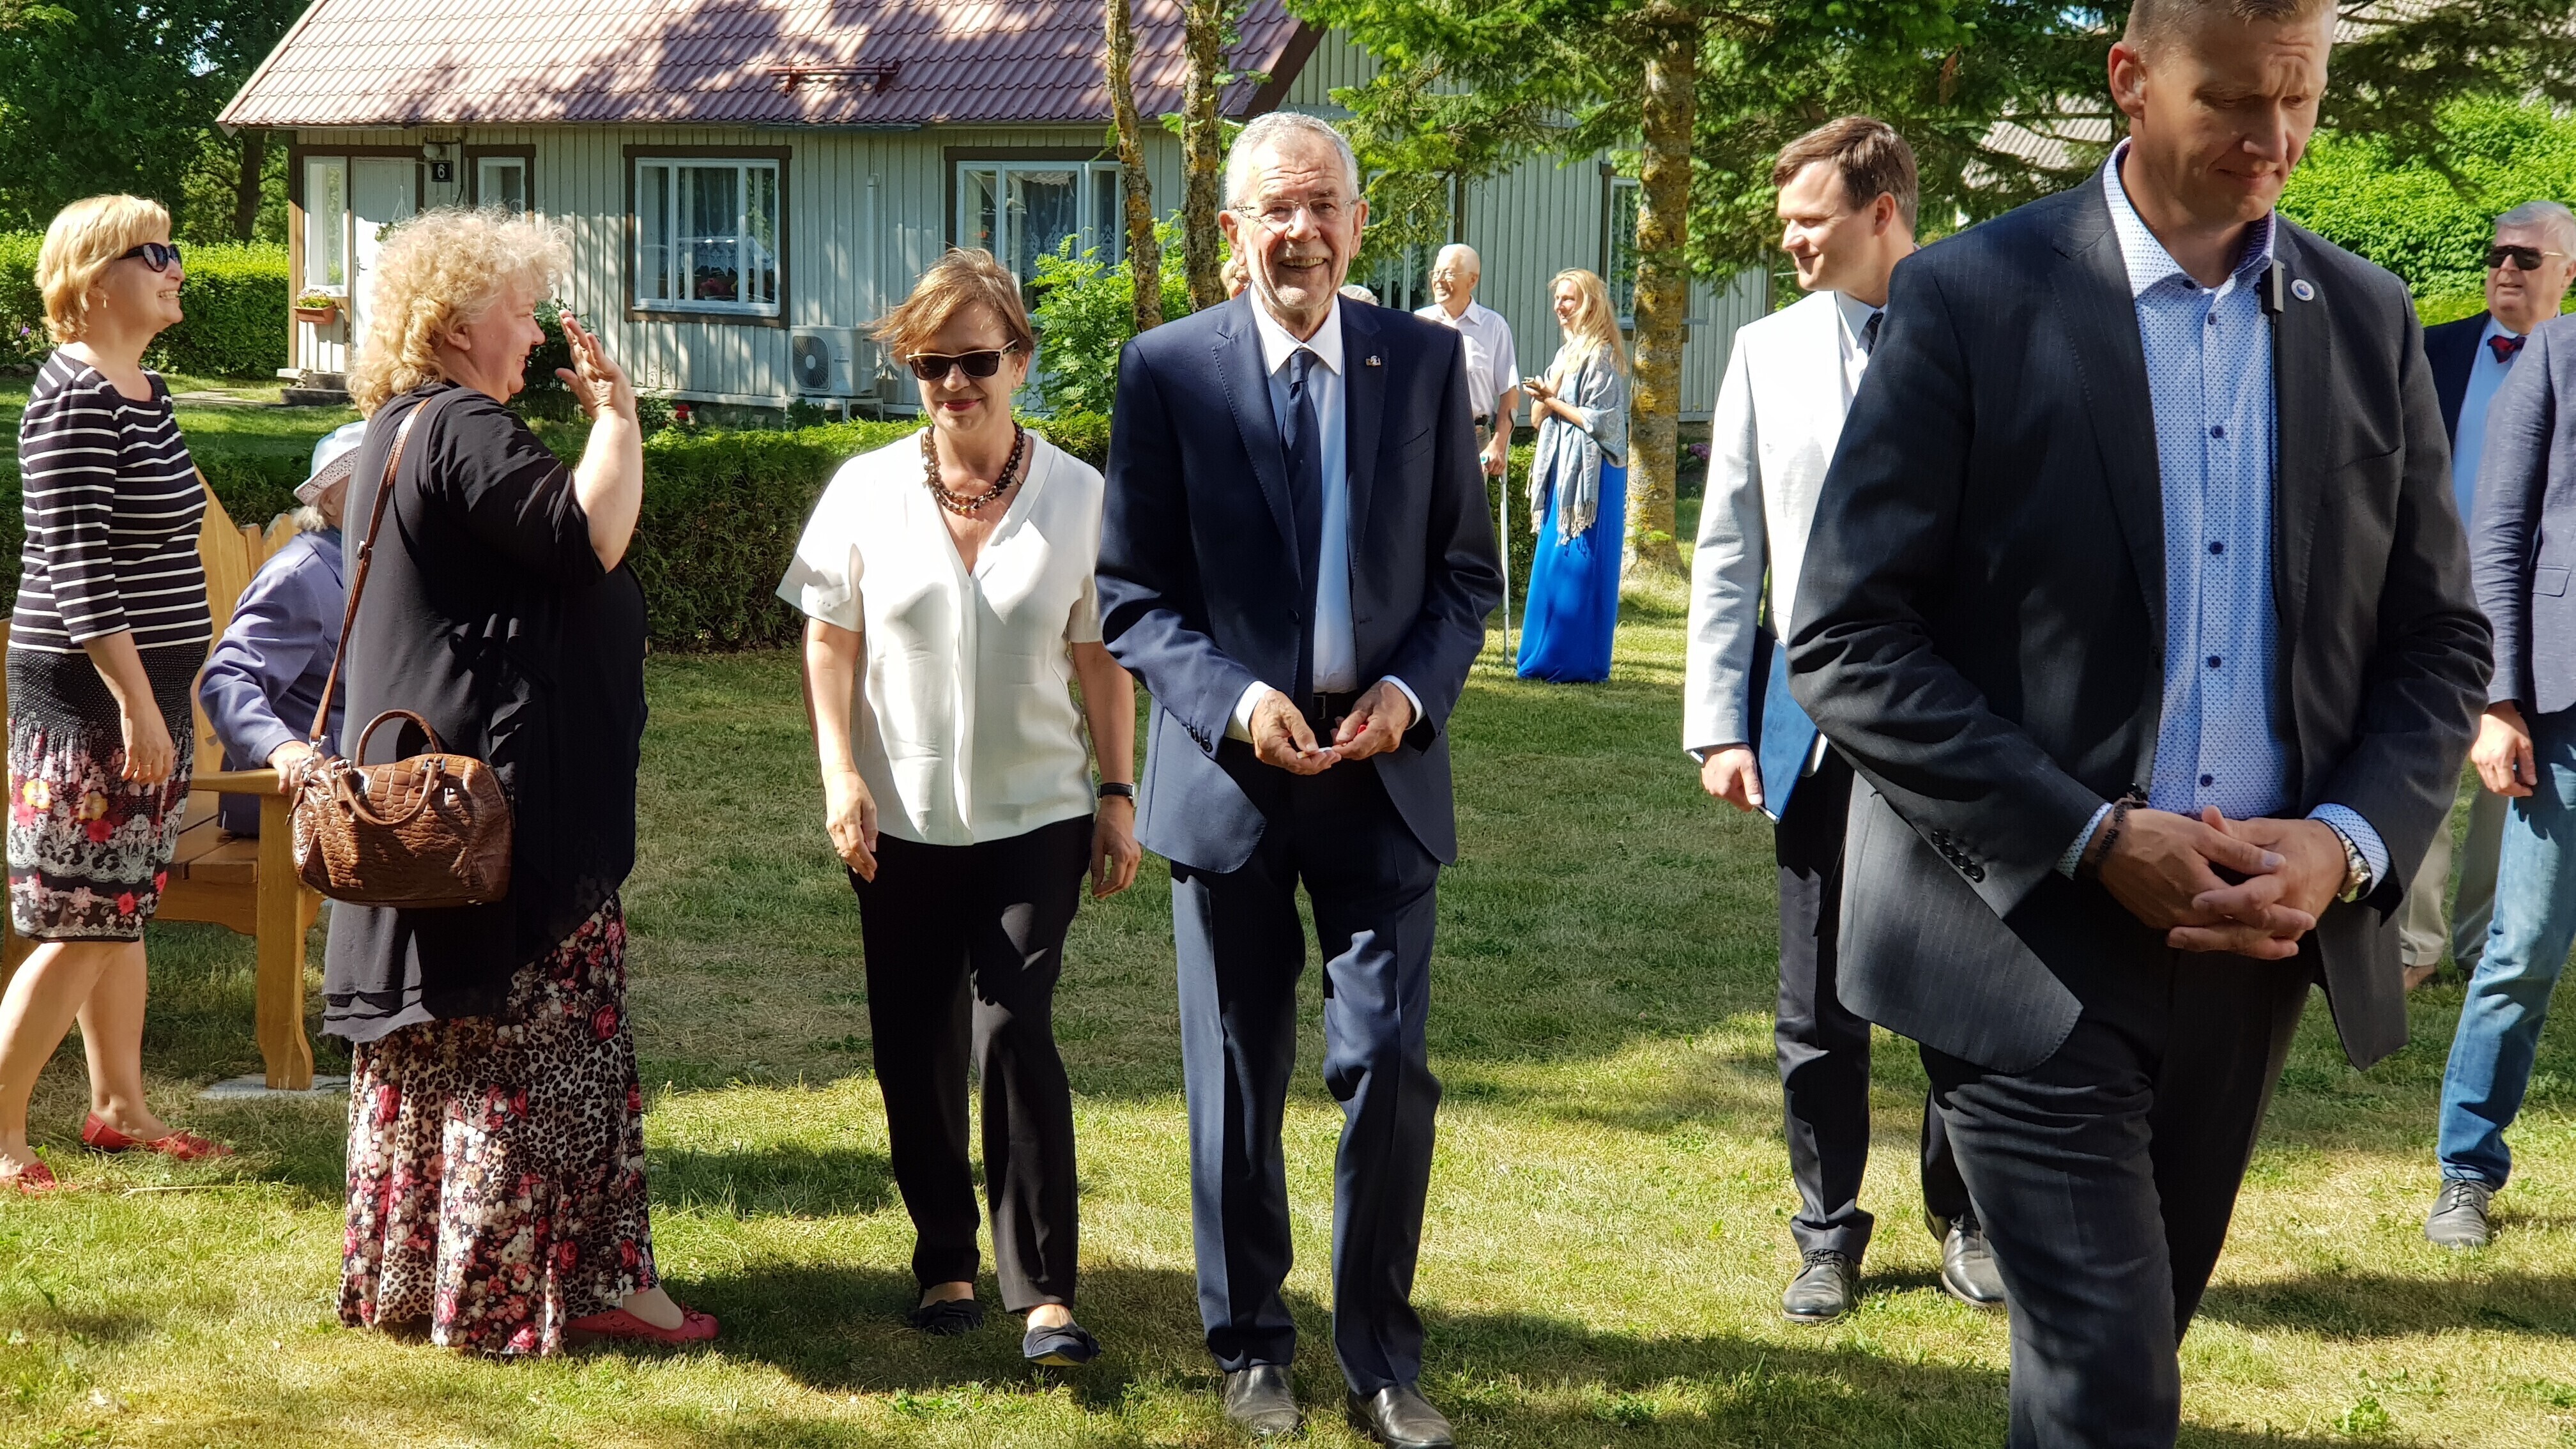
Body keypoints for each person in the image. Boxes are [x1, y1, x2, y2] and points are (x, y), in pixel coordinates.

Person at [1786, 0, 2490, 1441]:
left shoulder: (2367, 319)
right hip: (2017, 936)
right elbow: (1849, 639)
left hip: (2253, 948)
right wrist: (2092, 835)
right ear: (2128, 79)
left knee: (2119, 1359)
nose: (2272, 138)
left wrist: (2342, 843)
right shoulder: (1973, 296)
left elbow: (2439, 641)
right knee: (2113, 1386)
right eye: (2231, 98)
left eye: (2300, 98)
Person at [1096, 110, 1501, 1448]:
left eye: (1323, 205)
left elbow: (1464, 577)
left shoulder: (1426, 363)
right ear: (1233, 230)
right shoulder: (1167, 370)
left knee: (1386, 1064)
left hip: (1382, 780)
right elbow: (1132, 595)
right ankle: (1250, 1346)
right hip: (1231, 780)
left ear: (1358, 223)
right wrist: (1236, 701)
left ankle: (1380, 1358)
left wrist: (1408, 694)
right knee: (1236, 1073)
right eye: (1275, 208)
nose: (1302, 231)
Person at [326, 208, 712, 1354]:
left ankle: (425, 1279)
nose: (538, 332)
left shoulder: (402, 427)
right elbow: (587, 536)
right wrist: (619, 420)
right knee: (541, 1039)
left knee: (449, 1042)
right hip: (500, 817)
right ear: (456, 324)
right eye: (522, 308)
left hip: (437, 810)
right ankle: (566, 1286)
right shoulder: (463, 423)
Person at [778, 247, 1140, 1365]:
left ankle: (1045, 1293)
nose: (954, 384)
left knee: (1013, 1026)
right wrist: (841, 775)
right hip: (898, 817)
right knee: (913, 1042)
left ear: (1020, 361)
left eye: (977, 361)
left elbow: (1101, 662)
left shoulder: (1081, 497)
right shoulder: (865, 490)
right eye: (931, 364)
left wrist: (1118, 793)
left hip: (1039, 813)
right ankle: (945, 1256)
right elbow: (830, 642)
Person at [1685, 116, 1996, 1322]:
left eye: (1808, 221)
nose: (1790, 242)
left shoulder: (1984, 326)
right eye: (1785, 223)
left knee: (1957, 986)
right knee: (1814, 998)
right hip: (1811, 728)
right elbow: (1728, 547)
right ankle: (1826, 1228)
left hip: (1955, 726)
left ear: (1881, 212)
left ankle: (1966, 1218)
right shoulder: (1764, 352)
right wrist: (1720, 722)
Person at [0, 194, 233, 1193]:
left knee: (120, 907)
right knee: (79, 920)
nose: (177, 268)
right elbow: (78, 570)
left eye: (175, 250)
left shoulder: (144, 388)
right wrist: (135, 703)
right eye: (156, 252)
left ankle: (119, 1108)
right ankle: (3, 1133)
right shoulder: (74, 396)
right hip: (90, 698)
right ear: (96, 280)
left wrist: (157, 697)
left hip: (144, 692)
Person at [2428, 310, 2576, 1249]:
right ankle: (2467, 1171)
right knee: (2522, 951)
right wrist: (2498, 698)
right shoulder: (2558, 355)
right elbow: (2500, 528)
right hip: (2566, 710)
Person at [2402, 200, 2576, 990]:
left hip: (2536, 605)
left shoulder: (2570, 363)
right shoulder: (2431, 349)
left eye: (2527, 259)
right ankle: (2413, 945)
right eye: (2497, 254)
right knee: (2422, 760)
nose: (2507, 269)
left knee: (2514, 777)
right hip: (2430, 593)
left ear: (2567, 274)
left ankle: (2486, 945)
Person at [198, 420, 362, 836]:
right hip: (293, 804)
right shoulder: (300, 577)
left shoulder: (366, 563)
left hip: (361, 792)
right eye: (375, 482)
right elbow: (226, 679)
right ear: (329, 501)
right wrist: (282, 747)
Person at [1514, 268, 1627, 683]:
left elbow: (1605, 423)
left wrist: (1553, 399)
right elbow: (1538, 418)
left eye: (1569, 299)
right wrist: (1546, 395)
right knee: (1553, 561)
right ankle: (1542, 656)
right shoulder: (1566, 354)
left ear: (1590, 305)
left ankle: (1577, 662)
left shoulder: (1602, 354)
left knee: (1581, 563)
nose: (1560, 307)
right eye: (1558, 299)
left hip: (1593, 477)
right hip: (1562, 468)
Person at [1414, 243, 1519, 480]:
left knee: (1467, 505)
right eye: (1436, 272)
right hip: (1424, 436)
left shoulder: (1493, 326)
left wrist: (1499, 444)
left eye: (1449, 273)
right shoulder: (1419, 323)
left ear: (1472, 280)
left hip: (1474, 438)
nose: (1439, 280)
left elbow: (1510, 392)